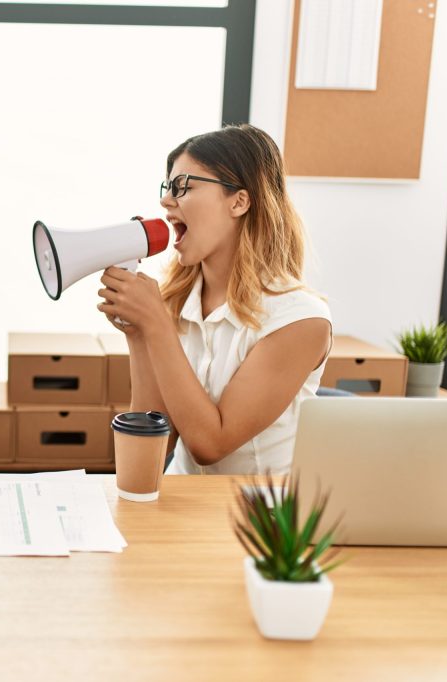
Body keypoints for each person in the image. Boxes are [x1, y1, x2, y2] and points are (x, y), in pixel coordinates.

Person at [97, 124, 331, 475]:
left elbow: (211, 445)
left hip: (257, 517)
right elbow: (150, 455)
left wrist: (156, 325)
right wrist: (138, 335)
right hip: (184, 505)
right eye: (167, 187)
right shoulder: (178, 303)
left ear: (239, 201)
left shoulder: (301, 320)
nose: (165, 201)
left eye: (183, 187)